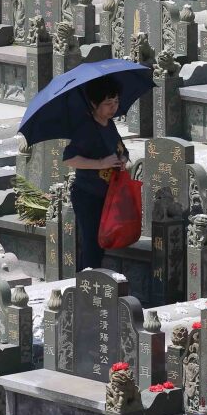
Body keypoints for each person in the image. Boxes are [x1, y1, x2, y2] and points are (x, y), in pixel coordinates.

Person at [62, 76, 129, 270]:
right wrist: (100, 163)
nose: (113, 108)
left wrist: (122, 160)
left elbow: (121, 149)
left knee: (103, 242)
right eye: (108, 103)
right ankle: (87, 282)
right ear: (94, 103)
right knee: (92, 243)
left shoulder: (110, 124)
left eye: (116, 102)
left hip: (109, 194)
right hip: (88, 195)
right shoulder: (85, 128)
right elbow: (69, 158)